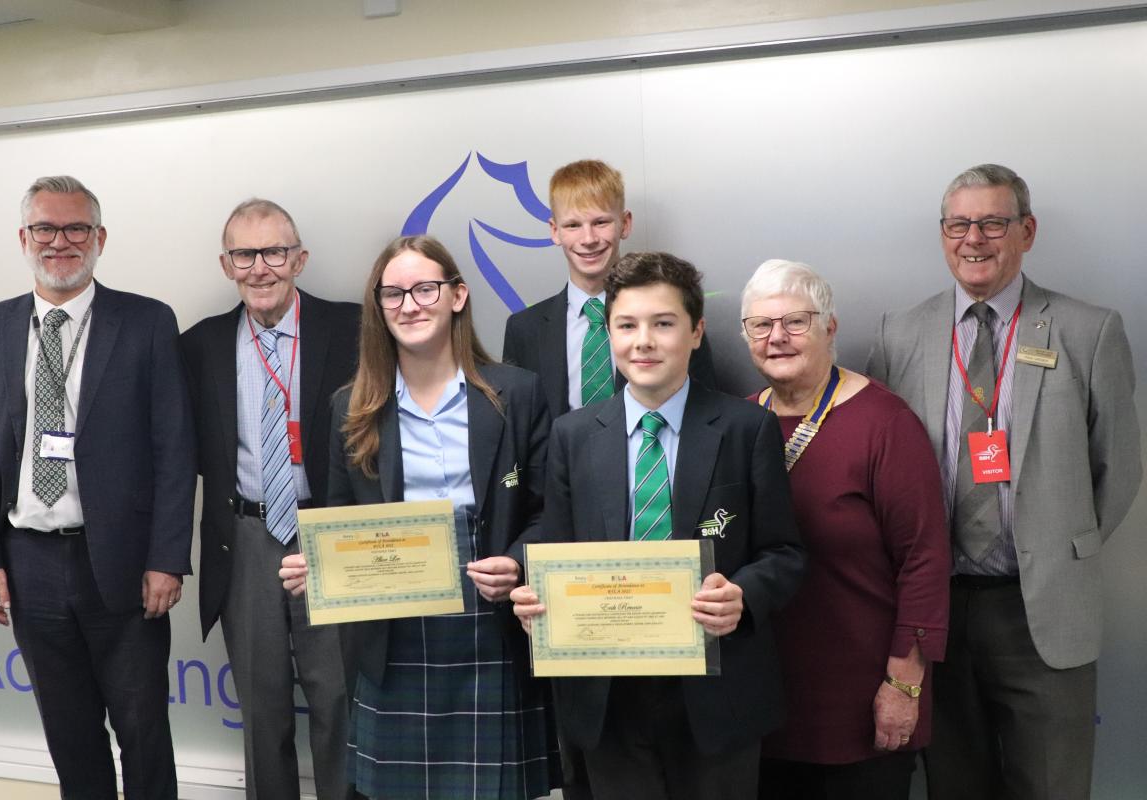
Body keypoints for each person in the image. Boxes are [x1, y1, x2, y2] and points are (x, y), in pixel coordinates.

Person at [866, 163, 1142, 800]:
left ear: (1027, 231)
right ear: (942, 235)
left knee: (1051, 785)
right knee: (953, 784)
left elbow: (1118, 468)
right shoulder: (899, 333)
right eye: (959, 224)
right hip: (935, 611)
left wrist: (1057, 543)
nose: (975, 239)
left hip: (1039, 608)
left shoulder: (1087, 330)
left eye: (993, 222)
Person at [512, 251, 805, 800]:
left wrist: (743, 593)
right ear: (609, 333)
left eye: (663, 323)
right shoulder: (573, 437)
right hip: (608, 699)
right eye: (626, 325)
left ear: (696, 333)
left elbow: (785, 552)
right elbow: (552, 548)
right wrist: (535, 597)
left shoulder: (747, 429)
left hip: (717, 694)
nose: (642, 341)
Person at [279, 235, 558, 799]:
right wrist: (322, 568)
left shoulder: (517, 392)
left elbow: (552, 512)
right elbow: (337, 520)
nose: (410, 305)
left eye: (425, 289)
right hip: (393, 623)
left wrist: (518, 561)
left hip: (490, 618)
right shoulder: (350, 408)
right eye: (393, 294)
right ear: (378, 308)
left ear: (457, 295)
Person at [0, 175, 196, 799]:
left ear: (100, 238)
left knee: (143, 731)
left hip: (121, 563)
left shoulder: (146, 322)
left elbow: (175, 449)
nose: (60, 242)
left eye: (76, 229)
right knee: (69, 735)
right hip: (28, 563)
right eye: (46, 228)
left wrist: (167, 559)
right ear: (24, 238)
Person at [739, 259, 950, 800]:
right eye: (761, 325)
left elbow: (924, 560)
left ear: (830, 327)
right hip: (758, 705)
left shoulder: (884, 423)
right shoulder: (736, 424)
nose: (776, 338)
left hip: (862, 705)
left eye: (795, 322)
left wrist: (904, 684)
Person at [180, 199, 359, 800]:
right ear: (226, 264)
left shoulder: (355, 330)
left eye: (274, 252)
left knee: (340, 703)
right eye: (244, 254)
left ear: (299, 259)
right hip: (246, 539)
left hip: (330, 537)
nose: (260, 268)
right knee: (261, 711)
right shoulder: (200, 345)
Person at [503, 158, 717, 420]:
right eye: (573, 225)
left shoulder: (673, 319)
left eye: (601, 222)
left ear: (624, 224)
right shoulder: (524, 330)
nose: (589, 239)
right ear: (555, 231)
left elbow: (706, 415)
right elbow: (520, 427)